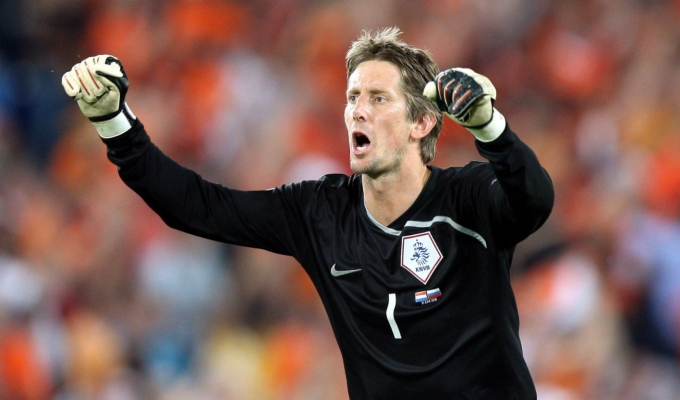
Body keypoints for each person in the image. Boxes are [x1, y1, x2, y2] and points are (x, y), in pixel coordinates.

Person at [62, 27, 554, 399]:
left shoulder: (466, 197)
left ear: (421, 122)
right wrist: (113, 121)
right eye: (353, 97)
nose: (358, 110)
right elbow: (198, 206)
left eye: (378, 98)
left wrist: (489, 127)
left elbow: (534, 200)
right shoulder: (320, 211)